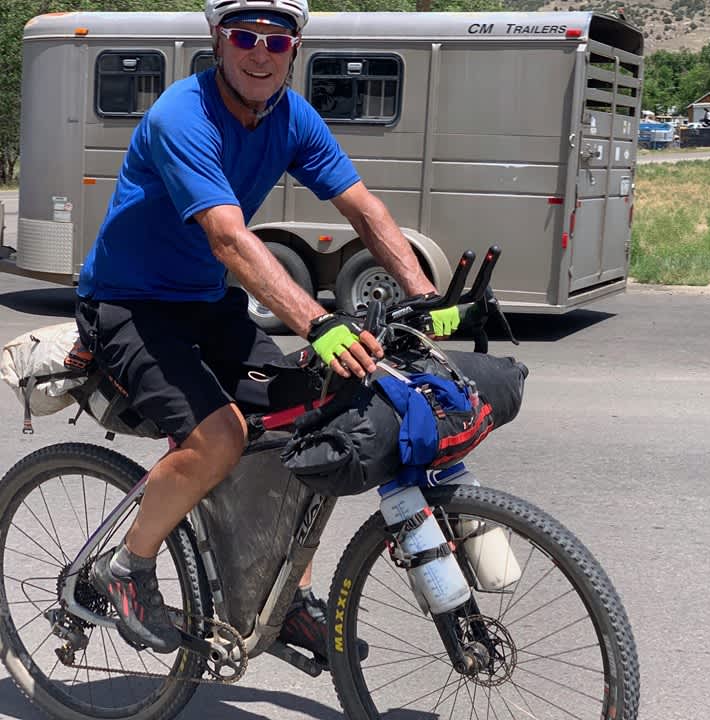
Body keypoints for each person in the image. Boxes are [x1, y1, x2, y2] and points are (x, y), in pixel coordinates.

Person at [76, 0, 460, 657]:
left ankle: (286, 603)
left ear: (295, 50)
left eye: (276, 41)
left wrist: (424, 293)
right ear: (217, 40)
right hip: (127, 305)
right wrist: (318, 322)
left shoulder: (291, 117)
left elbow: (363, 208)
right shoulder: (182, 115)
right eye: (244, 36)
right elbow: (228, 238)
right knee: (220, 437)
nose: (260, 52)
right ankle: (127, 568)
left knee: (305, 417)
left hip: (204, 302)